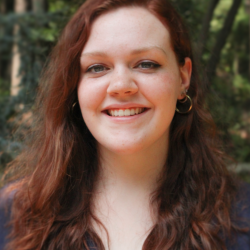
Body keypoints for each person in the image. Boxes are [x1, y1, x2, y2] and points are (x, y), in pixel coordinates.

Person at [0, 0, 250, 249]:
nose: (121, 86)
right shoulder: (14, 214)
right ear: (75, 87)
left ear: (183, 78)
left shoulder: (243, 216)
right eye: (97, 67)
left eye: (146, 64)